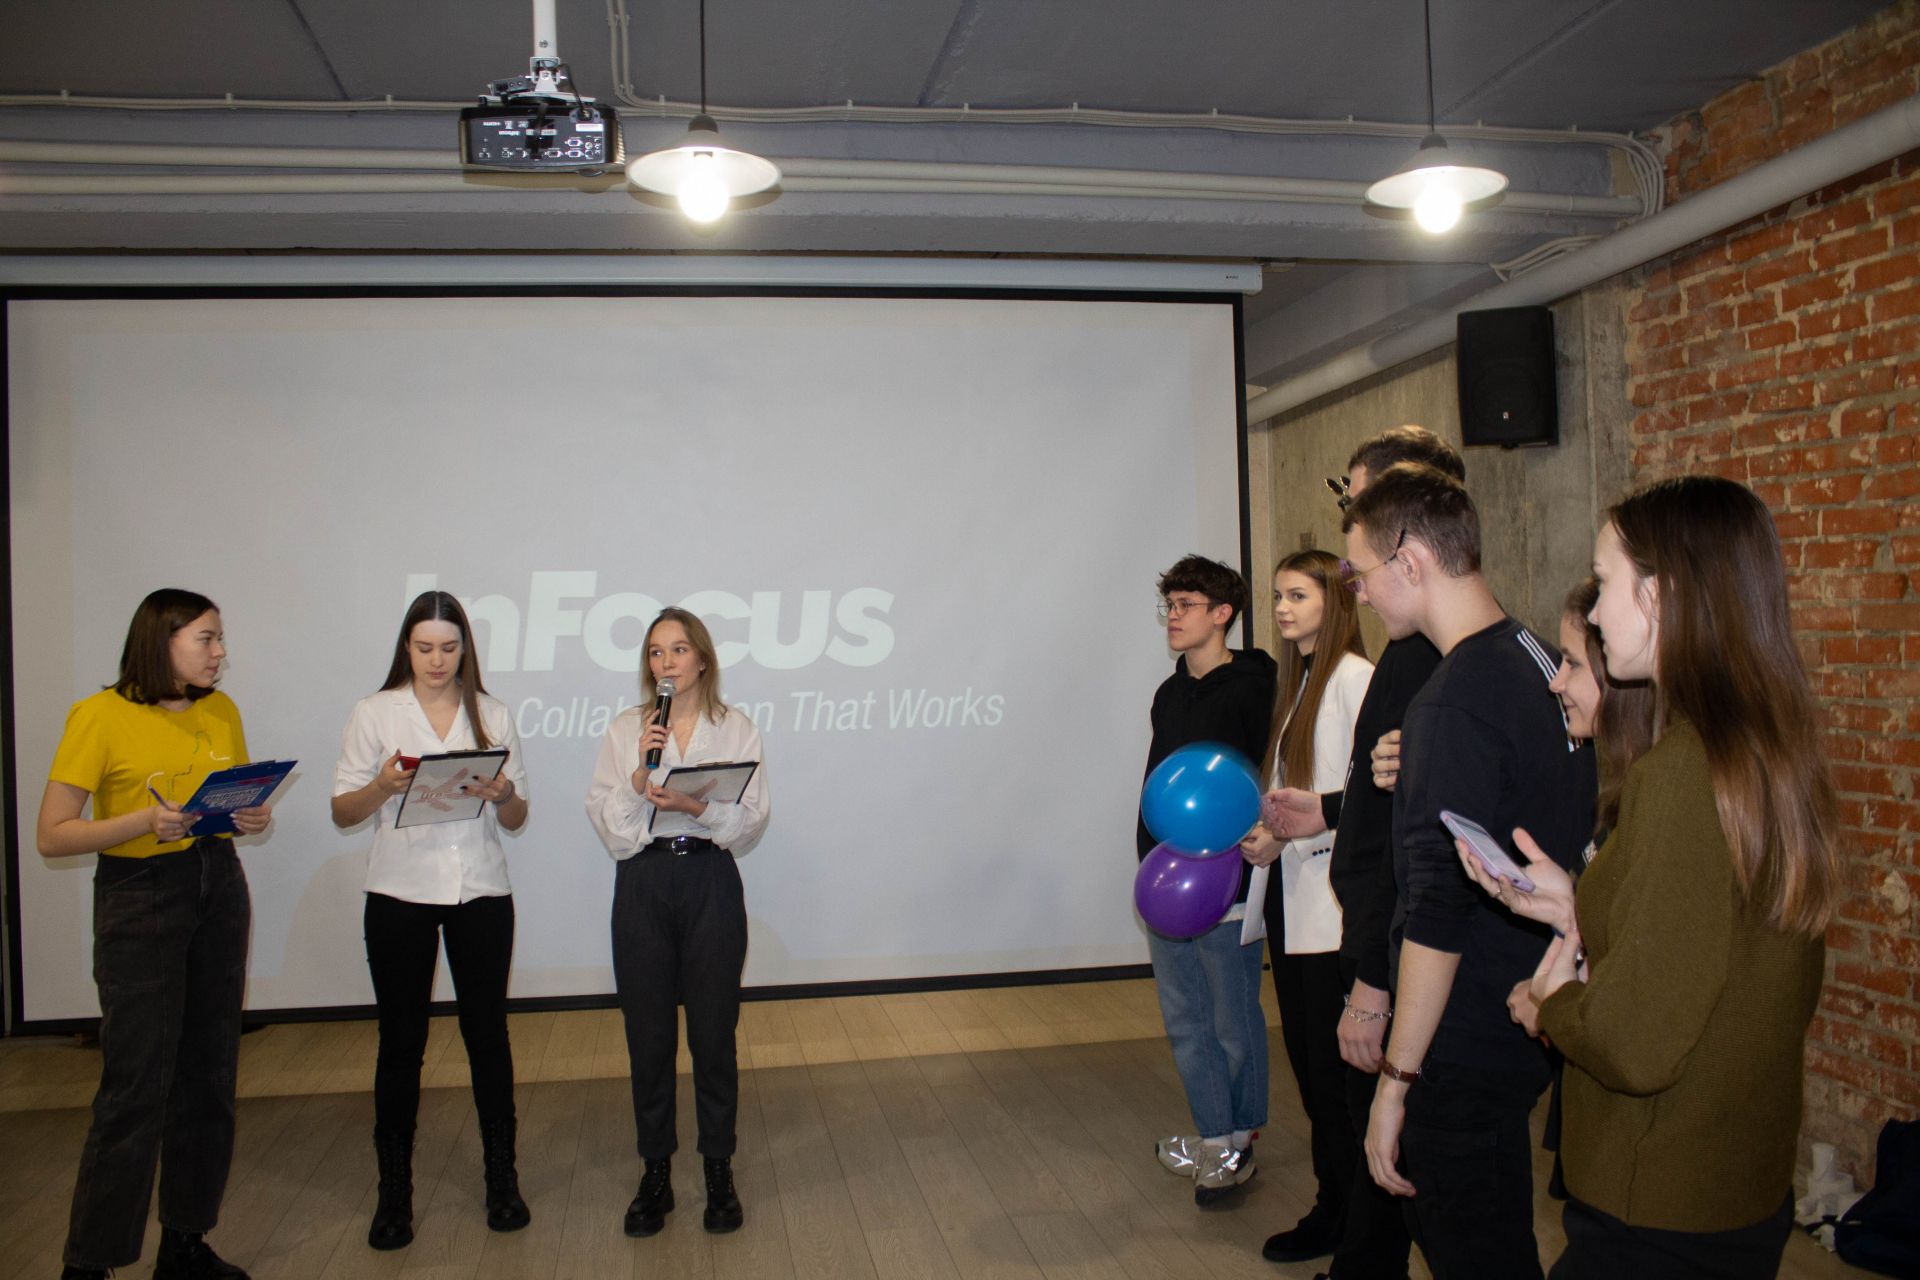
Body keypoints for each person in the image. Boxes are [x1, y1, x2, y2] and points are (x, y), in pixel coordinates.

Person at [1459, 476, 1836, 1279]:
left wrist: (1553, 1005)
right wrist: (1575, 903)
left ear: (1660, 596)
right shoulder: (1768, 748)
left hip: (1659, 1197)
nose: (1594, 613)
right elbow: (1719, 948)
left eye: (1604, 584)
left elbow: (1635, 1044)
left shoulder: (1684, 773)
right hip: (1734, 1179)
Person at [1346, 463, 1594, 1280]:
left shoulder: (1452, 701)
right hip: (1517, 1014)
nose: (1362, 594)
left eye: (1363, 573)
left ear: (1410, 562)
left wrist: (1397, 1080)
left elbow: (1437, 912)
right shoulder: (1533, 657)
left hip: (1462, 1040)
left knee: (1472, 1245)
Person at [1259, 423, 1463, 1279]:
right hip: (1336, 918)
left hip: (1365, 933)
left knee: (1410, 1145)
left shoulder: (1394, 671)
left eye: (1357, 495)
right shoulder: (1331, 675)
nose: (1356, 581)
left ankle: (1352, 1234)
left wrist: (1374, 984)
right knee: (1333, 1091)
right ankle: (1350, 1237)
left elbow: (1405, 831)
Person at [37, 589, 274, 1280]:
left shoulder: (222, 711)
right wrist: (143, 821)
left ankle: (185, 1244)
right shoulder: (99, 715)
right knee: (136, 1084)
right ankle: (91, 1263)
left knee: (210, 1076)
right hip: (139, 894)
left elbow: (226, 801)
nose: (220, 652)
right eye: (206, 638)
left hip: (216, 882)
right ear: (161, 640)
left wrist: (249, 816)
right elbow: (53, 834)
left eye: (220, 638)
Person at [330, 590, 532, 1250]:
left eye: (448, 648)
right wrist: (383, 787)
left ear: (465, 649)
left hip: (481, 890)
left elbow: (517, 817)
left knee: (487, 1035)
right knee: (401, 1042)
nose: (436, 660)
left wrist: (503, 793)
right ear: (406, 648)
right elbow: (342, 810)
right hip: (399, 892)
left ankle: (501, 1179)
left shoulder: (492, 714)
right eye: (424, 648)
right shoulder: (374, 712)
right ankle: (395, 1192)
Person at [586, 607, 769, 1238]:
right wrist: (639, 777)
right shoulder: (626, 729)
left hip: (709, 879)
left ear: (703, 659)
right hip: (643, 882)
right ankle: (655, 1173)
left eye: (679, 649)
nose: (667, 662)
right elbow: (613, 830)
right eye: (656, 652)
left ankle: (718, 1169)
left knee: (714, 1036)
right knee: (649, 1037)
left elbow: (749, 822)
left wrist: (696, 807)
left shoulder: (735, 728)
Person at [1238, 551, 1372, 1260]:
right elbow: (1298, 796)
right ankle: (1335, 1208)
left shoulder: (1355, 679)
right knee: (1314, 1076)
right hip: (1292, 905)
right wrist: (1271, 833)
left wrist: (1302, 827)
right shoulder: (1296, 688)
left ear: (1336, 600)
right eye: (1278, 596)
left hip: (1333, 911)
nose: (1283, 608)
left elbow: (1369, 800)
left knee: (1336, 1081)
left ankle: (1352, 1225)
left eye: (1298, 595)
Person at [1142, 555, 1277, 1205]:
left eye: (1185, 605)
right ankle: (1212, 1133)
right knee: (1185, 1017)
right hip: (1167, 880)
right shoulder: (1169, 694)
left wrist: (1264, 836)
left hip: (1229, 877)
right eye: (1168, 605)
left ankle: (1240, 1139)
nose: (1173, 616)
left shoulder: (1255, 688)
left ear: (1223, 614)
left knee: (1231, 1017)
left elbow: (1272, 771)